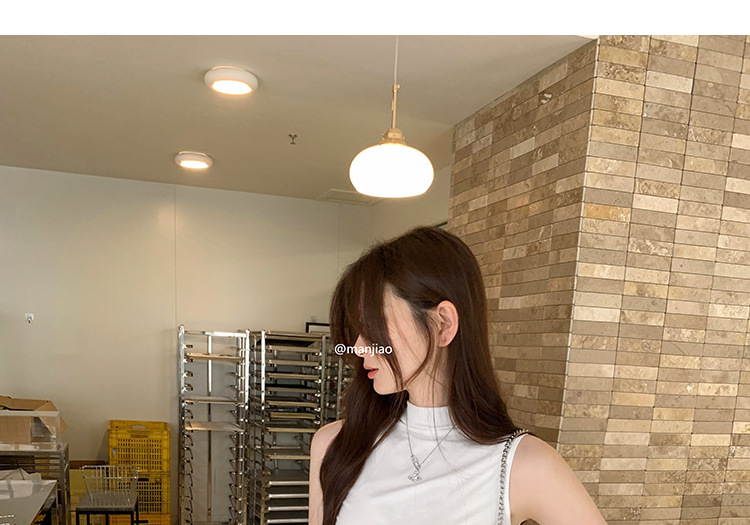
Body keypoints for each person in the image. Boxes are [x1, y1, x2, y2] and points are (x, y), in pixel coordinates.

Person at [308, 226, 608, 525]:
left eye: (374, 326)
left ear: (443, 324)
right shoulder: (336, 445)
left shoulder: (523, 464)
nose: (358, 347)